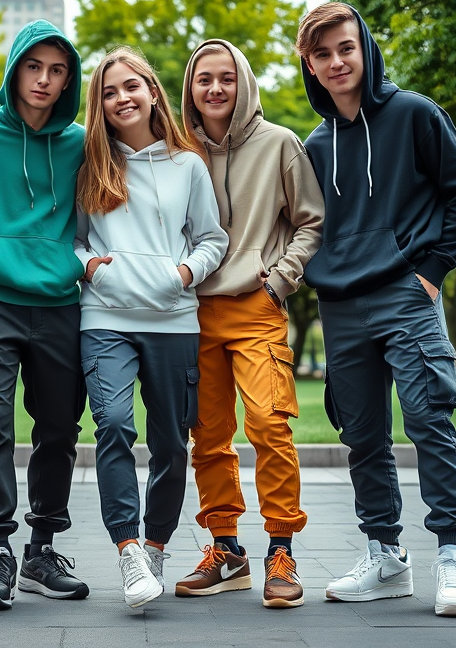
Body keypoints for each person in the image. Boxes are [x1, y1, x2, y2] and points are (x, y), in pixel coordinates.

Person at [295, 3, 456, 617]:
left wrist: (430, 274)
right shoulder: (315, 145)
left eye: (345, 48)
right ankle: (385, 555)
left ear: (364, 47)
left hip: (405, 295)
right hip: (342, 307)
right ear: (310, 65)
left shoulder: (414, 114)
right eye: (322, 54)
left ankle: (453, 559)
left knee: (429, 418)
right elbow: (309, 227)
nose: (336, 62)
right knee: (364, 435)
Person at [74, 47, 228, 608]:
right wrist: (87, 265)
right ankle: (129, 549)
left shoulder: (188, 165)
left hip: (173, 320)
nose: (122, 99)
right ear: (100, 103)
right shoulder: (89, 163)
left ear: (153, 91)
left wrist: (186, 270)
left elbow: (213, 238)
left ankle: (157, 544)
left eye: (131, 86)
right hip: (105, 318)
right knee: (114, 425)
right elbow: (68, 239)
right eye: (110, 92)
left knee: (170, 443)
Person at [176, 39, 325, 608]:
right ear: (190, 89)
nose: (215, 89)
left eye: (226, 78)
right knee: (208, 437)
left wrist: (280, 279)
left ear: (244, 82)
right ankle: (225, 550)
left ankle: (281, 550)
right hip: (191, 313)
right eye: (203, 79)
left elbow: (311, 222)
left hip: (256, 308)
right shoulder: (179, 150)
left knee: (269, 425)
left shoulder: (280, 144)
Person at [0, 21, 89, 610]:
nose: (44, 80)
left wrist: (83, 264)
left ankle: (40, 549)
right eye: (33, 67)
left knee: (59, 428)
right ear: (14, 70)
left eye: (57, 70)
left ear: (69, 80)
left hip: (61, 302)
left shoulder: (83, 142)